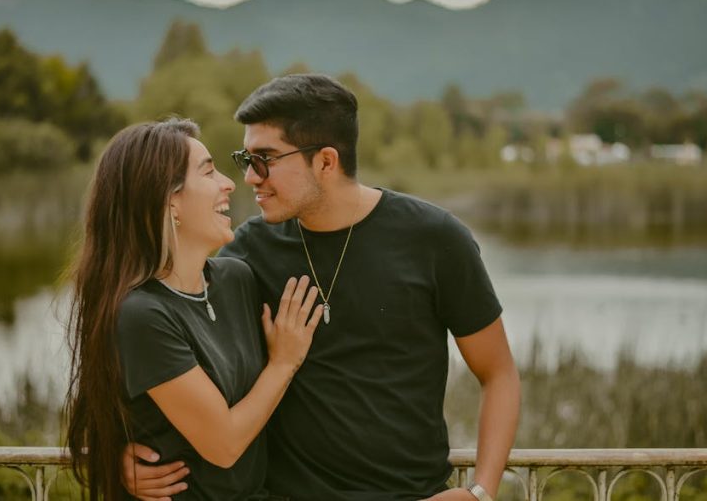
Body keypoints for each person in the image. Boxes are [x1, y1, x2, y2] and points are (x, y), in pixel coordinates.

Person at [125, 75, 521, 501]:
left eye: (266, 159)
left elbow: (498, 373)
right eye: (246, 159)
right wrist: (117, 452)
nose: (249, 178)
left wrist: (480, 490)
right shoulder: (243, 254)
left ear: (326, 162)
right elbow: (152, 346)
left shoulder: (436, 239)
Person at [64, 118, 324, 500]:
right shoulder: (141, 314)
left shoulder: (236, 279)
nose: (230, 182)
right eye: (208, 172)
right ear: (170, 201)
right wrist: (283, 363)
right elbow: (224, 445)